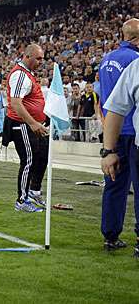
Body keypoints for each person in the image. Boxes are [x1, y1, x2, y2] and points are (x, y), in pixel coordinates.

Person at [98, 18, 139, 253]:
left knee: (113, 184)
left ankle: (110, 236)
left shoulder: (106, 59)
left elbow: (106, 98)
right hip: (132, 131)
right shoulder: (135, 61)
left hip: (112, 132)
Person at [1, 44, 49, 213]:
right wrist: (32, 123)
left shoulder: (28, 74)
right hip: (21, 124)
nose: (41, 62)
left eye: (42, 58)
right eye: (38, 58)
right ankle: (22, 200)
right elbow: (15, 103)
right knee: (28, 160)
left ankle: (34, 191)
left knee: (41, 155)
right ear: (27, 56)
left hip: (32, 124)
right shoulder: (20, 74)